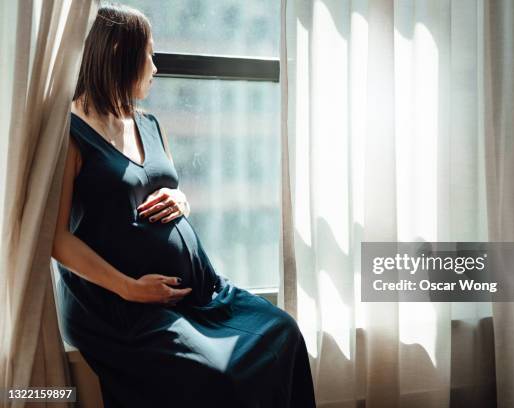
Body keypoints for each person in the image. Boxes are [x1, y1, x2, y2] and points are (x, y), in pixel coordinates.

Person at [51, 4, 316, 407]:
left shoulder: (149, 124)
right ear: (122, 50)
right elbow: (56, 239)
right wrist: (130, 289)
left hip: (201, 291)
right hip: (120, 306)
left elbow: (159, 185)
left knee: (284, 331)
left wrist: (181, 199)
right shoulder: (69, 132)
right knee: (219, 376)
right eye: (149, 55)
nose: (155, 68)